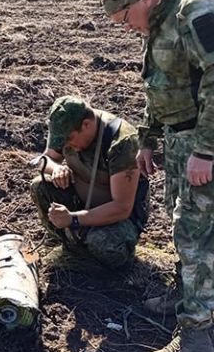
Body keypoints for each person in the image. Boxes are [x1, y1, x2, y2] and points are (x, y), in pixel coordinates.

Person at [101, 0, 214, 352]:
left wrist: (206, 150)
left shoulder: (197, 9)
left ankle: (197, 336)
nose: (127, 28)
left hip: (208, 143)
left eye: (125, 18)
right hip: (180, 139)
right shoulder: (160, 19)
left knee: (195, 230)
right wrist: (148, 140)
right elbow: (161, 82)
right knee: (179, 221)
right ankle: (187, 294)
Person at [30, 95, 148, 272]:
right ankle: (69, 243)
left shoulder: (122, 143)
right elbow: (43, 160)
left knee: (107, 245)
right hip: (81, 204)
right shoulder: (66, 128)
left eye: (69, 140)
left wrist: (73, 219)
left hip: (116, 217)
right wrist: (55, 169)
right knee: (41, 186)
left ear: (86, 125)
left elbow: (122, 207)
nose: (66, 146)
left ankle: (101, 262)